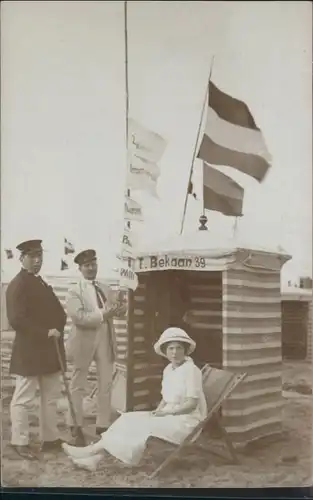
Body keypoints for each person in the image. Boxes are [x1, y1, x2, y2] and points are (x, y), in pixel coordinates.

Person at [62, 327, 207, 471]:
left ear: (185, 350)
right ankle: (95, 458)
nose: (174, 353)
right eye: (170, 348)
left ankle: (91, 452)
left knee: (139, 427)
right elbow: (166, 398)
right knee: (128, 419)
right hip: (168, 415)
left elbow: (191, 405)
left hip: (185, 422)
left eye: (179, 348)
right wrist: (157, 412)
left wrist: (166, 414)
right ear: (165, 351)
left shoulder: (191, 371)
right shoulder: (169, 369)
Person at [6, 239, 67, 460]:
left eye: (40, 256)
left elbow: (59, 313)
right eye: (32, 256)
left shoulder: (41, 282)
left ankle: (50, 438)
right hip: (30, 351)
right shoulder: (18, 284)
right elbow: (17, 320)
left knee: (50, 398)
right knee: (23, 399)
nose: (37, 260)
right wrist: (45, 332)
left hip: (50, 351)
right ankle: (19, 441)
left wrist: (58, 327)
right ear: (21, 258)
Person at [65, 249, 126, 442]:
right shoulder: (74, 290)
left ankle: (103, 424)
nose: (91, 268)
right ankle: (75, 423)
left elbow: (118, 312)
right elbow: (79, 317)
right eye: (87, 266)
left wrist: (121, 306)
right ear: (80, 269)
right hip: (84, 341)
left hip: (105, 339)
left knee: (105, 383)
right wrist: (104, 315)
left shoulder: (106, 288)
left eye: (93, 264)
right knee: (78, 384)